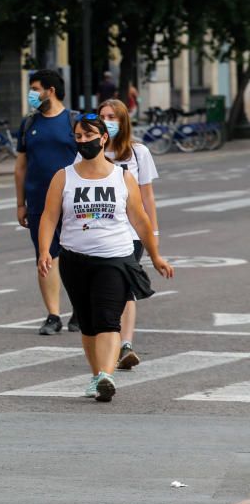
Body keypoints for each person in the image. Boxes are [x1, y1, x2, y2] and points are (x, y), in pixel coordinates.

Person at [38, 114, 173, 402]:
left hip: (115, 257)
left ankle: (106, 375)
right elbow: (49, 218)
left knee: (107, 319)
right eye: (79, 137)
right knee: (87, 323)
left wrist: (156, 255)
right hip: (75, 258)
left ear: (103, 139)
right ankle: (96, 374)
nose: (84, 141)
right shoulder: (64, 177)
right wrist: (44, 251)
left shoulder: (123, 177)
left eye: (90, 136)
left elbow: (140, 220)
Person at [90, 99, 160, 370]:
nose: (107, 120)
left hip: (130, 232)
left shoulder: (138, 152)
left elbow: (147, 196)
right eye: (103, 116)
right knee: (103, 289)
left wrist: (153, 231)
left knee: (126, 287)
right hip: (98, 232)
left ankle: (125, 345)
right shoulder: (90, 151)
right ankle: (107, 338)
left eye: (113, 116)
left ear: (123, 121)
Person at [15, 69, 79, 335]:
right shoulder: (29, 123)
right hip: (39, 202)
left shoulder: (73, 121)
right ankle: (53, 314)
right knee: (45, 257)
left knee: (77, 257)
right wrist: (20, 203)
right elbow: (20, 167)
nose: (32, 94)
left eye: (36, 88)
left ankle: (79, 310)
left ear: (50, 90)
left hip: (74, 202)